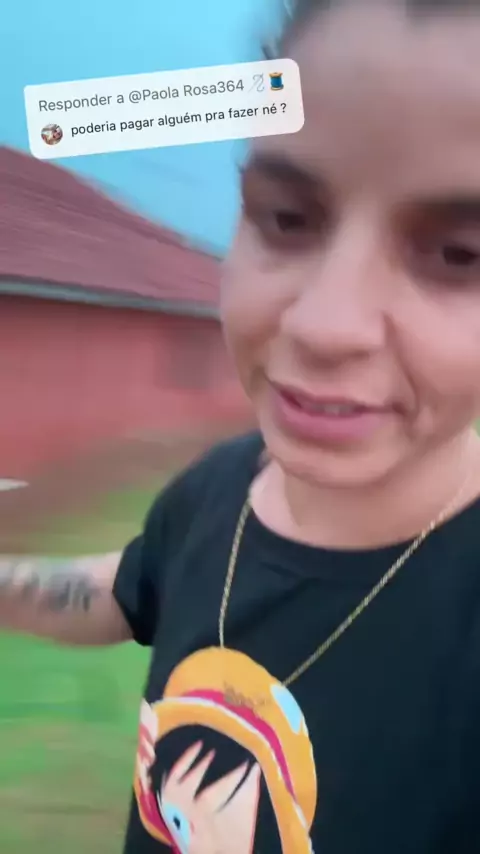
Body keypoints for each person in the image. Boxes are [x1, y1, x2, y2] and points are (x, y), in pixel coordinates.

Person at [4, 0, 480, 849]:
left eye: (458, 255)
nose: (324, 324)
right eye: (287, 217)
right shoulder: (219, 486)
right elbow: (129, 588)